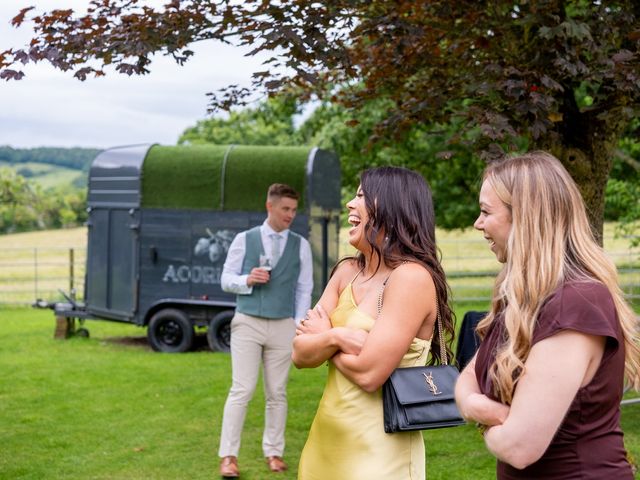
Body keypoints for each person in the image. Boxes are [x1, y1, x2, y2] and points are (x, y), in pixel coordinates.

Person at [454, 151, 640, 479]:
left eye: (485, 212)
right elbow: (470, 375)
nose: (477, 223)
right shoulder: (521, 297)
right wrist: (479, 407)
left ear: (525, 218)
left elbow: (519, 447)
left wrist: (484, 419)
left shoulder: (577, 303)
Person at [292, 166, 455, 480]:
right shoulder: (346, 272)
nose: (350, 205)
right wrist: (338, 337)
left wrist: (326, 337)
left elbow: (369, 374)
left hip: (379, 452)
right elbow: (300, 354)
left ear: (392, 207)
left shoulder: (411, 278)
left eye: (361, 196)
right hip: (325, 443)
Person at [217, 183, 313, 478]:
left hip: (283, 325)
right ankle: (229, 456)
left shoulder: (301, 245)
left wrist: (297, 325)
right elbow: (225, 279)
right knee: (242, 389)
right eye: (286, 209)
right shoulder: (244, 240)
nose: (291, 215)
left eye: (294, 210)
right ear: (269, 206)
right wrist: (247, 279)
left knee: (277, 393)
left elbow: (304, 288)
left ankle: (274, 452)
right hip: (248, 322)